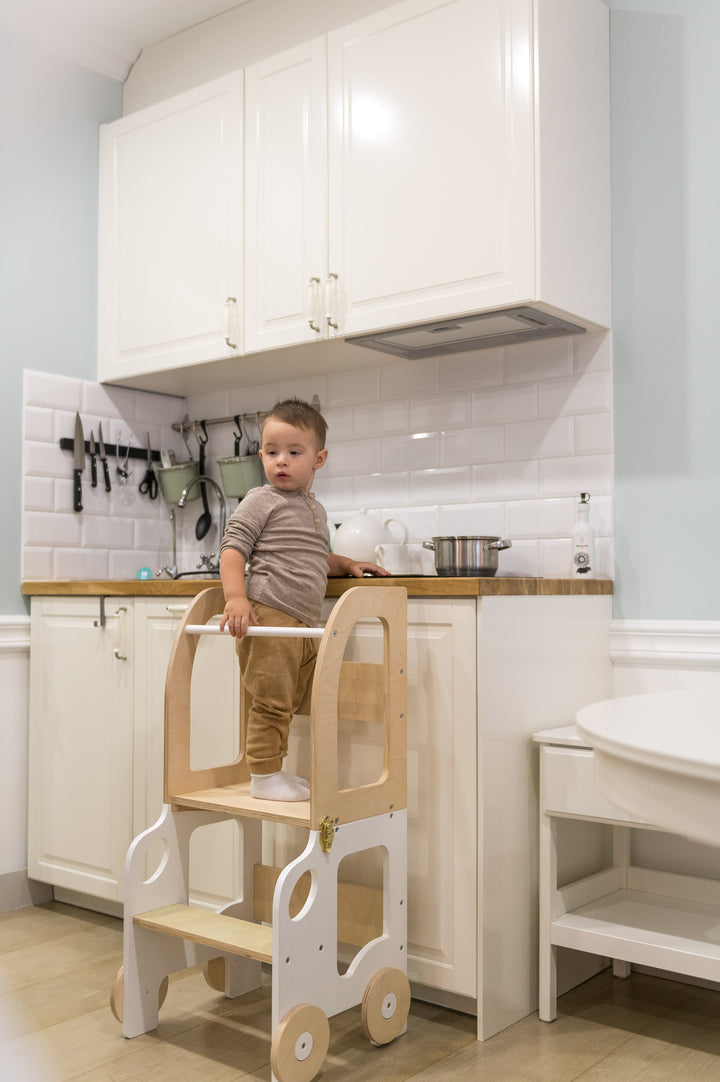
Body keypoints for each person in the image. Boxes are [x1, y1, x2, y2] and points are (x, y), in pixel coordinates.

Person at [219, 397, 390, 801]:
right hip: (270, 615)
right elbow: (231, 550)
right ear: (260, 455)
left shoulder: (313, 508)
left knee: (290, 700)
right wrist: (236, 598)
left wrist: (345, 563)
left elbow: (313, 554)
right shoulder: (261, 500)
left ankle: (272, 771)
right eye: (273, 452)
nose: (282, 461)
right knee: (271, 701)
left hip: (302, 621)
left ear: (319, 458)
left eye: (294, 453)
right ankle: (263, 777)